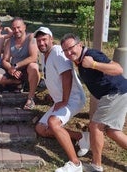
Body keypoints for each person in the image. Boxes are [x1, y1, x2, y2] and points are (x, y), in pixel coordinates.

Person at [60, 33, 127, 172]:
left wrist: (94, 64)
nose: (68, 52)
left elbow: (118, 69)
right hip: (116, 93)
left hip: (114, 93)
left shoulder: (91, 55)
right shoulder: (79, 60)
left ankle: (96, 166)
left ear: (79, 45)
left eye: (71, 48)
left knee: (95, 126)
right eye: (65, 50)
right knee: (112, 132)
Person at [34, 27, 90, 172]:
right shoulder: (43, 55)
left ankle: (76, 164)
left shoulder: (58, 51)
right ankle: (80, 136)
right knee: (41, 128)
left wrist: (64, 100)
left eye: (44, 39)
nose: (41, 43)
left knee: (53, 123)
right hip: (61, 100)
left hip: (72, 99)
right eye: (38, 40)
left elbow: (67, 75)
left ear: (51, 39)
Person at [0, 17, 40, 109]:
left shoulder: (31, 37)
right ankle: (18, 82)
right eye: (14, 28)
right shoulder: (9, 41)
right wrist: (11, 69)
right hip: (14, 70)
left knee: (34, 66)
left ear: (24, 27)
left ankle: (30, 98)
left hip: (26, 69)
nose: (16, 30)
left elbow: (33, 57)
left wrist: (16, 66)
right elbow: (4, 60)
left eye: (19, 27)